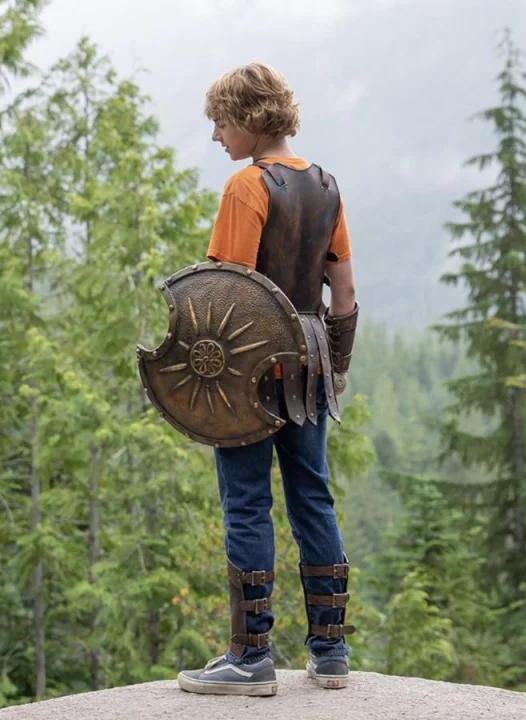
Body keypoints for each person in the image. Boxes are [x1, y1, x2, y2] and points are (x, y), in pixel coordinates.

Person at [176, 62, 360, 697]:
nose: (216, 136)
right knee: (313, 496)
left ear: (250, 119)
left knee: (247, 500)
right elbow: (343, 292)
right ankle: (330, 650)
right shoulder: (326, 186)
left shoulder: (246, 187)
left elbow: (223, 295)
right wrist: (336, 368)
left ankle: (250, 657)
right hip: (309, 363)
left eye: (221, 123)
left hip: (249, 368)